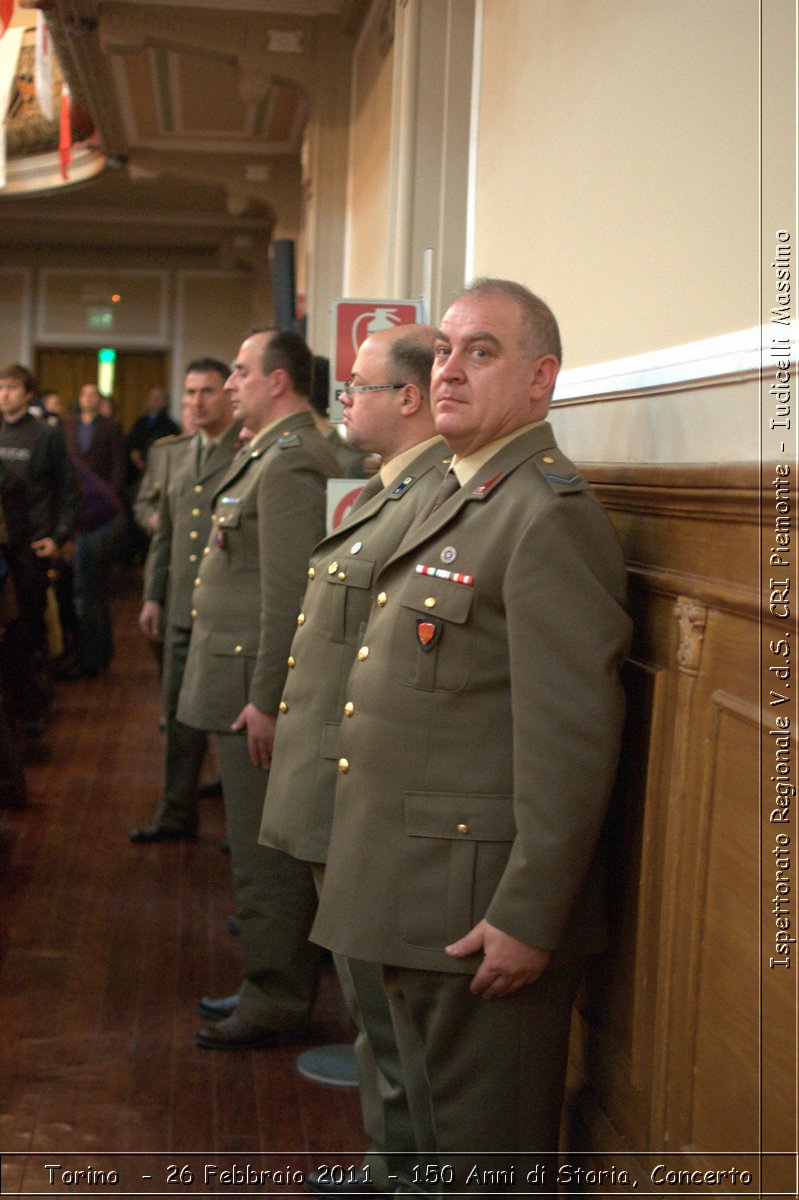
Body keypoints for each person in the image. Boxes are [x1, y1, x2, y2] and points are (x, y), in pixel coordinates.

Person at [311, 279, 632, 1188]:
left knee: (484, 1168)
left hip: (479, 916)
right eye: (446, 349)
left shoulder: (545, 514)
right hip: (413, 899)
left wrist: (529, 916)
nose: (448, 368)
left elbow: (570, 741)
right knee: (427, 1155)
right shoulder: (456, 493)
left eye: (479, 352)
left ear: (541, 379)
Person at [260, 324, 447, 1196]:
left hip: (366, 798)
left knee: (390, 1018)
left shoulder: (430, 500)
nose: (345, 405)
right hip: (342, 789)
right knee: (373, 1016)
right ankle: (388, 1167)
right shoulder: (388, 491)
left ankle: (400, 1173)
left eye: (358, 388)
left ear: (406, 400)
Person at [176, 330, 339, 1049]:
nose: (230, 382)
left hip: (254, 683)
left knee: (263, 853)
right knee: (252, 847)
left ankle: (275, 997)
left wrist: (269, 698)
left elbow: (288, 596)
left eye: (240, 371)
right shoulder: (266, 452)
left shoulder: (290, 460)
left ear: (277, 381)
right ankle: (265, 981)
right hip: (236, 673)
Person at [130, 359, 239, 843]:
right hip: (179, 605)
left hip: (228, 612)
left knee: (232, 721)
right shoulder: (173, 455)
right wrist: (153, 596)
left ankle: (240, 822)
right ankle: (177, 810)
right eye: (190, 392)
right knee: (177, 716)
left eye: (208, 392)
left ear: (229, 396)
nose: (196, 402)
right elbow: (165, 536)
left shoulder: (246, 452)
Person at [0, 364, 78, 722]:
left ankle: (32, 707)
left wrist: (58, 537)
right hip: (3, 547)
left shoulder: (45, 435)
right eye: (0, 387)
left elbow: (68, 489)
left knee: (30, 629)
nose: (4, 394)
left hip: (31, 546)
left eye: (12, 388)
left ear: (29, 394)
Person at [65, 384, 127, 498]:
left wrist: (113, 490)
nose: (88, 398)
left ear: (99, 399)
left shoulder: (111, 426)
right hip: (72, 487)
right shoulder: (68, 425)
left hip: (101, 485)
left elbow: (119, 460)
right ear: (79, 399)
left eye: (93, 394)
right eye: (84, 394)